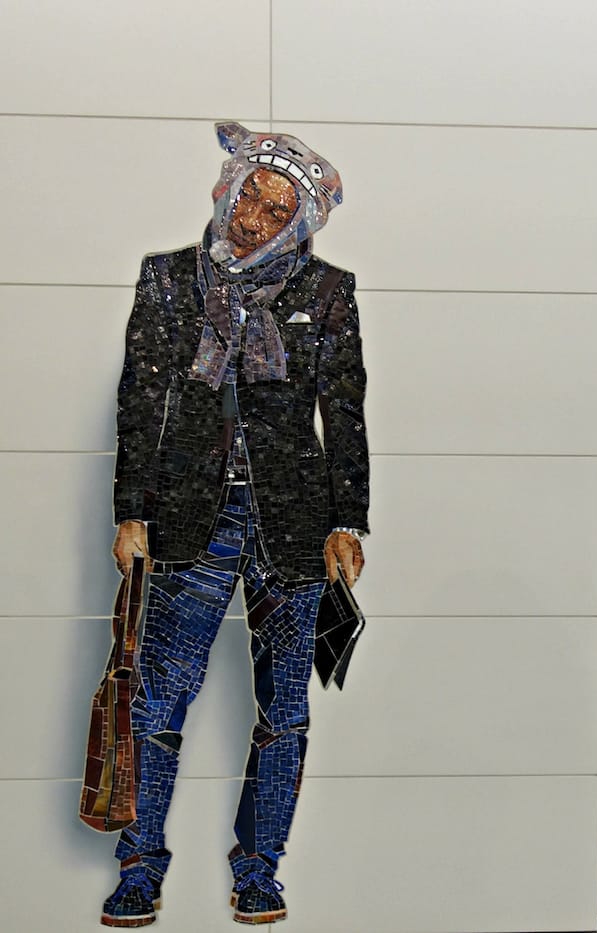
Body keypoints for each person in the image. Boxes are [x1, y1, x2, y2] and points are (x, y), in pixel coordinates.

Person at [100, 122, 369, 927]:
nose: (254, 217)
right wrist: (131, 510)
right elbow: (141, 398)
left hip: (293, 524)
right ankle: (139, 868)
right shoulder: (168, 279)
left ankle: (260, 871)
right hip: (191, 518)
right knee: (157, 702)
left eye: (277, 209)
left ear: (300, 222)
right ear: (228, 188)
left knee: (285, 710)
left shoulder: (328, 291)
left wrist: (348, 520)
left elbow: (343, 409)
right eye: (250, 194)